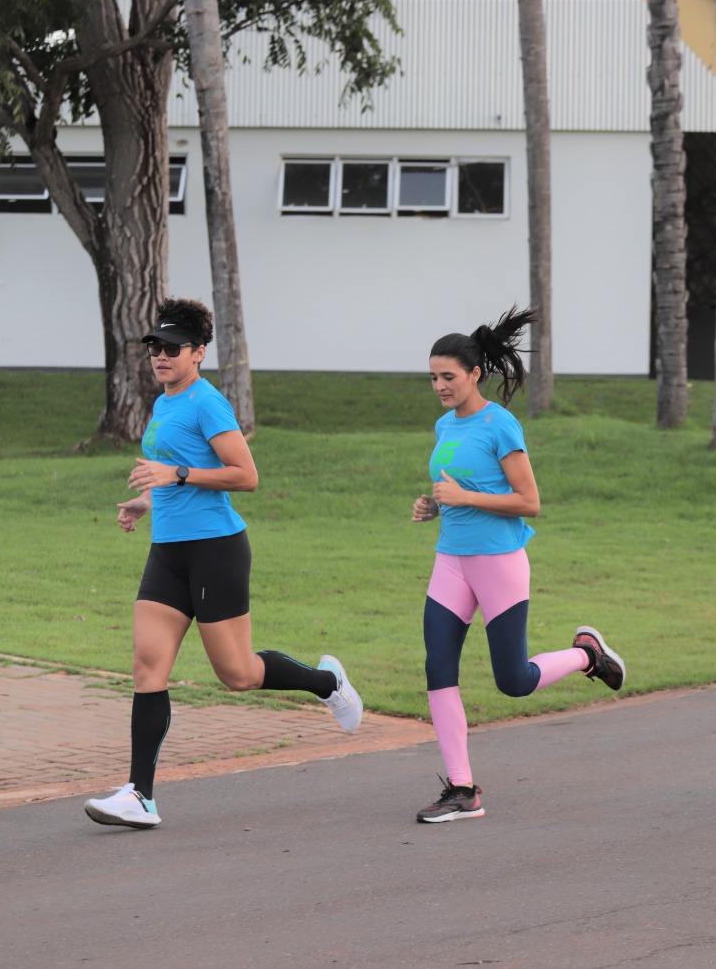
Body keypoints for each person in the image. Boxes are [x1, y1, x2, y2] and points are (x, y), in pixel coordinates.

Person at [84, 298, 363, 829]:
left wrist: (178, 476)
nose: (160, 356)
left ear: (199, 353)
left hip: (217, 550)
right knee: (147, 666)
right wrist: (147, 501)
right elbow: (172, 474)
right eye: (155, 347)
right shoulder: (164, 402)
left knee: (237, 674)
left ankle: (326, 683)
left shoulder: (206, 402)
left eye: (171, 348)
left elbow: (245, 475)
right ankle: (140, 795)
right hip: (168, 553)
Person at [410, 307, 625, 823]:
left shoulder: (500, 424)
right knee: (438, 666)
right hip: (451, 560)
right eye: (433, 377)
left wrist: (463, 495)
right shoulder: (445, 424)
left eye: (448, 376)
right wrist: (435, 503)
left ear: (474, 375)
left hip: (499, 562)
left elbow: (529, 501)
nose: (439, 386)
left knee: (514, 680)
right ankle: (462, 790)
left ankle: (586, 655)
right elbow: (463, 489)